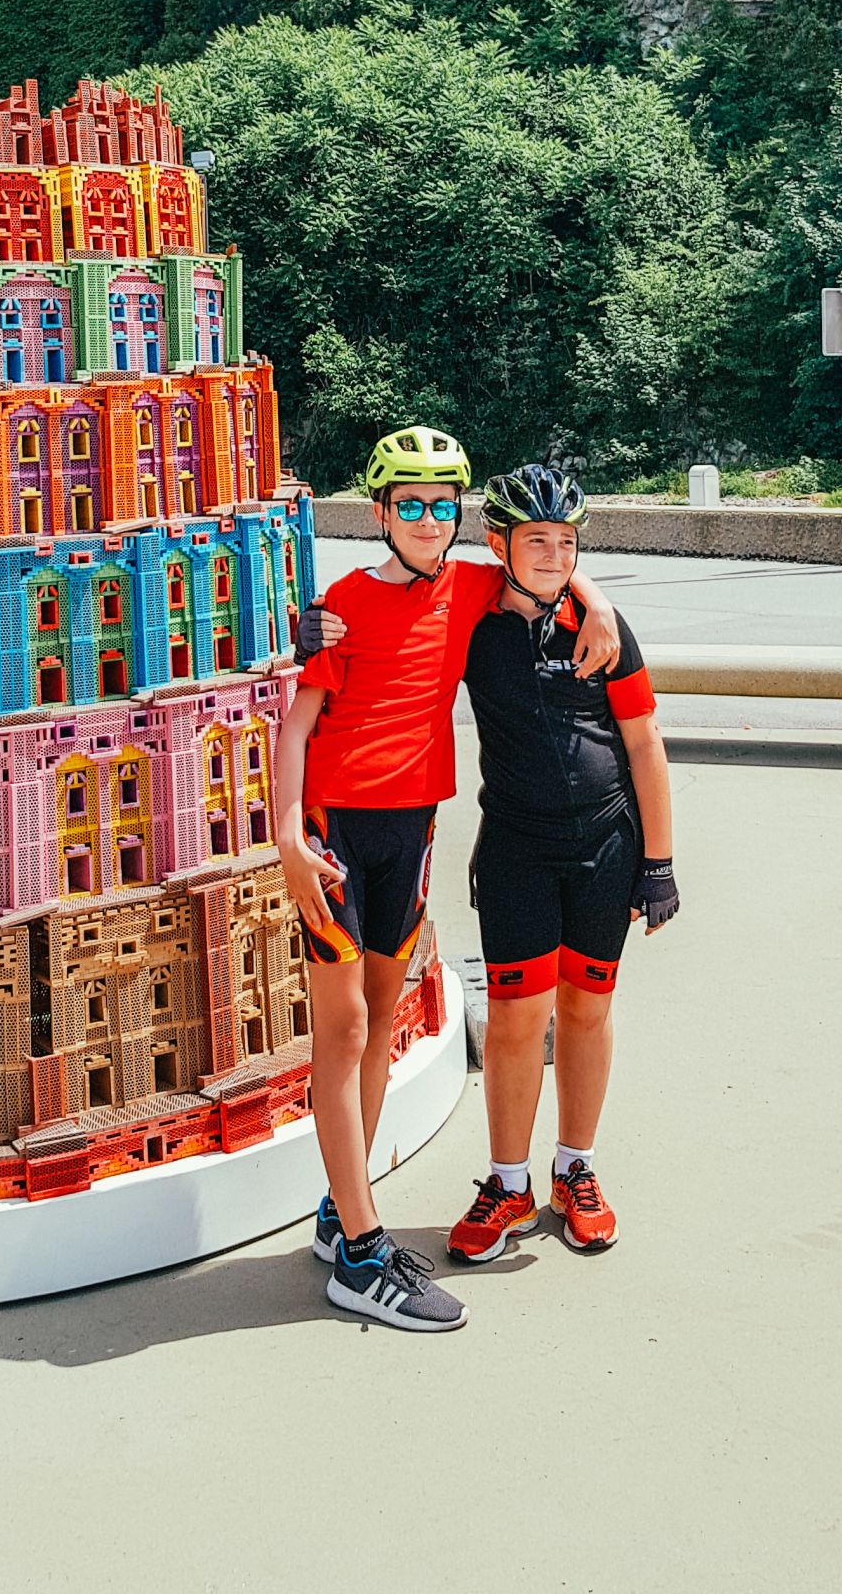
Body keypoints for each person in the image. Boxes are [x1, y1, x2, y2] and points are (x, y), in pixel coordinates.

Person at [273, 424, 622, 1333]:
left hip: (413, 829)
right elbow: (297, 724)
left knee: (381, 1018)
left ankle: (333, 1210)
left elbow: (541, 568)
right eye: (410, 505)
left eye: (443, 505)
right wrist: (283, 836)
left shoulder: (469, 586)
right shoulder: (343, 601)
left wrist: (600, 601)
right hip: (335, 830)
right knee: (343, 1028)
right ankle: (359, 1253)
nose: (430, 520)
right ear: (381, 512)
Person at [444, 465, 677, 1266]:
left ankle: (574, 1166)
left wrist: (660, 862)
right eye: (535, 540)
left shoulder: (602, 626)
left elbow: (645, 742)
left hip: (607, 844)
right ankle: (508, 1182)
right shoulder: (470, 620)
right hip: (516, 846)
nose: (551, 555)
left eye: (566, 543)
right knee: (515, 1018)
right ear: (498, 543)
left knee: (585, 1007)